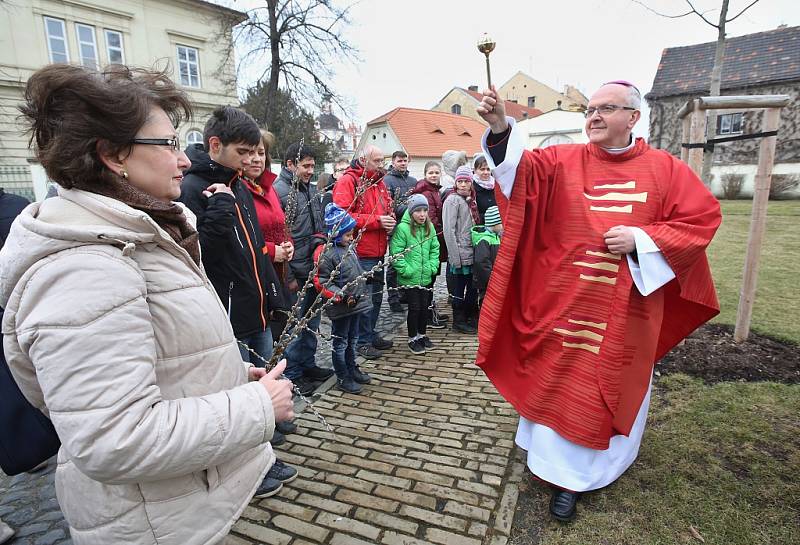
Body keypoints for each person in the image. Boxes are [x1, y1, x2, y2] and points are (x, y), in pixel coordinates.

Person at [0, 64, 295, 545]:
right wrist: (254, 407)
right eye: (169, 144)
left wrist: (225, 379)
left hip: (170, 510)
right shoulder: (86, 269)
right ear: (114, 155)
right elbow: (114, 438)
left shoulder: (138, 237)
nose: (184, 160)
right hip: (148, 525)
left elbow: (151, 362)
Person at [475, 81, 721, 521]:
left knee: (606, 384)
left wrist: (643, 239)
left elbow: (700, 221)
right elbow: (518, 178)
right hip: (563, 301)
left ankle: (577, 479)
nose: (594, 116)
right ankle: (549, 463)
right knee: (558, 379)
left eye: (607, 108)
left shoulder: (665, 170)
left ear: (633, 117)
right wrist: (499, 130)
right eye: (590, 108)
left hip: (625, 309)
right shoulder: (562, 160)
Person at [179, 106, 285, 368]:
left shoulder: (239, 184)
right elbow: (196, 255)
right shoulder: (190, 188)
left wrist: (273, 296)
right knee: (242, 393)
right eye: (242, 152)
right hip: (228, 319)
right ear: (215, 145)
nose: (250, 160)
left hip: (258, 313)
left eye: (253, 152)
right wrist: (221, 207)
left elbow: (256, 248)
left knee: (267, 385)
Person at [242, 129, 298, 444]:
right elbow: (244, 237)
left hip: (275, 279)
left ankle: (274, 412)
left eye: (261, 152)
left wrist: (286, 245)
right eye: (249, 152)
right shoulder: (240, 191)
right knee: (257, 355)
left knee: (273, 349)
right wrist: (270, 251)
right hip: (253, 279)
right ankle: (262, 419)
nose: (256, 158)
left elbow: (278, 224)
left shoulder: (268, 188)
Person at [273, 142, 331, 396]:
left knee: (311, 322)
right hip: (295, 274)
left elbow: (315, 226)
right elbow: (281, 237)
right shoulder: (281, 192)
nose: (310, 170)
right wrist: (291, 275)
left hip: (313, 269)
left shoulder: (307, 189)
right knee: (295, 327)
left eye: (311, 166)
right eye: (305, 166)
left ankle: (307, 365)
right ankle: (293, 374)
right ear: (290, 165)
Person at [333, 145, 395, 360]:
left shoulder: (379, 183)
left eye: (382, 161)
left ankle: (368, 333)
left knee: (376, 297)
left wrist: (389, 218)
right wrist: (377, 221)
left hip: (377, 249)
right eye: (377, 161)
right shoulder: (348, 181)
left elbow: (386, 208)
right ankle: (362, 341)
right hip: (359, 251)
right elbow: (342, 217)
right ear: (362, 160)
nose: (381, 165)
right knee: (363, 299)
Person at [313, 204, 373, 393]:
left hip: (355, 304)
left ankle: (351, 366)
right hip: (341, 307)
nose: (351, 238)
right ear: (336, 234)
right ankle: (342, 375)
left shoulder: (349, 249)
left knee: (352, 339)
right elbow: (323, 282)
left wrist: (366, 276)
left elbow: (353, 272)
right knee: (340, 342)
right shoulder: (327, 253)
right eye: (348, 235)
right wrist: (340, 295)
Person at [389, 194, 440, 355]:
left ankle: (422, 334)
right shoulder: (403, 229)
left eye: (425, 210)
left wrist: (433, 266)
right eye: (418, 211)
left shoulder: (429, 227)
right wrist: (407, 270)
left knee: (425, 307)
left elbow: (434, 248)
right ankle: (412, 337)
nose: (422, 214)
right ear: (411, 212)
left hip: (425, 276)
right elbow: (396, 253)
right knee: (415, 308)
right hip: (410, 278)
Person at [442, 165, 480, 334]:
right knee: (459, 288)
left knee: (472, 286)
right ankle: (458, 320)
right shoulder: (452, 200)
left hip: (472, 251)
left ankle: (469, 314)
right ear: (456, 183)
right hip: (459, 253)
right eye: (460, 181)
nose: (463, 185)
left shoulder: (471, 200)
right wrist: (454, 257)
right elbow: (449, 230)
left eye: (466, 181)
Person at [411, 162, 449, 329]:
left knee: (431, 281)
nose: (434, 175)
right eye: (430, 172)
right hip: (430, 240)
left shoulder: (434, 190)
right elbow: (430, 220)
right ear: (425, 174)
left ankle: (429, 312)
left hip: (435, 240)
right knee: (428, 281)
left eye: (436, 172)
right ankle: (426, 316)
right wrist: (440, 234)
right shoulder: (426, 192)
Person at [384, 151, 418, 313]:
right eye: (400, 161)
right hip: (396, 228)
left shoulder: (413, 181)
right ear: (393, 162)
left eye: (405, 160)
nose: (403, 163)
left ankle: (405, 293)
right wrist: (411, 208)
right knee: (394, 264)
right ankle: (393, 298)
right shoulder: (387, 180)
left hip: (412, 228)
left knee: (410, 260)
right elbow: (389, 206)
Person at [471, 204, 502, 304]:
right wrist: (491, 279)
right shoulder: (484, 240)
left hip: (495, 281)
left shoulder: (496, 237)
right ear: (494, 224)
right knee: (487, 303)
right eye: (501, 222)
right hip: (487, 282)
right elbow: (481, 263)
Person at [472, 154, 497, 224]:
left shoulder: (496, 185)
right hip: (481, 228)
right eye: (482, 169)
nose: (486, 172)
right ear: (475, 170)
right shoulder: (472, 188)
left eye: (488, 169)